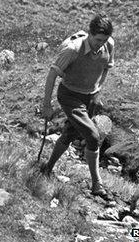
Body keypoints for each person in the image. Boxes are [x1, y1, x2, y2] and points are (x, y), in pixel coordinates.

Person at [40, 14, 115, 199]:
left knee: (70, 133)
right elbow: (52, 75)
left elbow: (106, 68)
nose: (101, 44)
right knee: (93, 136)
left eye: (104, 40)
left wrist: (98, 90)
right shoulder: (73, 50)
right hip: (70, 95)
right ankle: (97, 184)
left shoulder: (109, 44)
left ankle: (47, 168)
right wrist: (46, 105)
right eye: (98, 40)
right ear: (90, 34)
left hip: (90, 96)